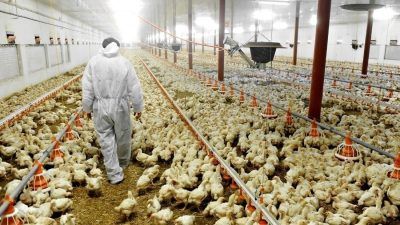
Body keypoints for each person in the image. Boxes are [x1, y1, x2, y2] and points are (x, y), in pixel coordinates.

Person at [82, 37, 144, 184]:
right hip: (121, 106)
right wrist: (137, 106)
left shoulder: (94, 62)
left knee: (105, 139)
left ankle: (114, 174)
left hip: (100, 105)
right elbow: (134, 86)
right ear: (118, 46)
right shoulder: (124, 62)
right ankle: (122, 163)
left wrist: (87, 107)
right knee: (123, 135)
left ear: (102, 47)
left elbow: (87, 87)